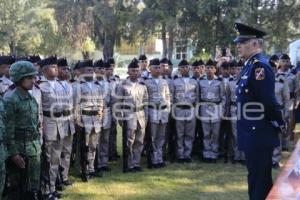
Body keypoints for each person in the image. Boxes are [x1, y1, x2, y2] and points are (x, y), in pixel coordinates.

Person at [234, 23, 285, 200]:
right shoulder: (249, 66)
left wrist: (279, 122)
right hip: (250, 132)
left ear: (255, 44)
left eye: (243, 42)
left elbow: (268, 101)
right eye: (237, 42)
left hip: (259, 132)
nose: (238, 46)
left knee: (260, 180)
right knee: (255, 177)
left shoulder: (259, 67)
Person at [4, 61, 42, 199]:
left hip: (33, 149)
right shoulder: (11, 99)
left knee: (32, 188)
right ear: (20, 79)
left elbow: (35, 124)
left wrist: (38, 143)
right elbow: (7, 130)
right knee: (18, 189)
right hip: (19, 152)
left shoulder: (30, 98)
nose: (34, 80)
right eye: (30, 78)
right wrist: (14, 153)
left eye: (34, 77)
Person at [38, 56, 65, 199]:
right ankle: (45, 190)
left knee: (56, 158)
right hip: (48, 123)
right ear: (44, 70)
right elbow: (38, 109)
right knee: (47, 159)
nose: (56, 69)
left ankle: (52, 188)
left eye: (56, 66)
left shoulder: (60, 84)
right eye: (53, 67)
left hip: (60, 123)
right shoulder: (39, 86)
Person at [73, 60, 104, 181]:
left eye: (92, 70)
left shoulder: (97, 85)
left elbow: (101, 101)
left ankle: (91, 168)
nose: (91, 72)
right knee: (83, 146)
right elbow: (76, 105)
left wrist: (100, 115)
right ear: (81, 72)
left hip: (95, 118)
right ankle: (82, 169)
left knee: (93, 145)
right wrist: (77, 121)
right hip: (84, 118)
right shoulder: (78, 86)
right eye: (88, 70)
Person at [116, 58, 148, 172]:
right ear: (128, 72)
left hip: (141, 115)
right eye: (133, 70)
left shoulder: (143, 85)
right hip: (128, 115)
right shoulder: (122, 85)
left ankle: (136, 163)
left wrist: (146, 118)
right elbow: (118, 103)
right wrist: (120, 118)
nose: (136, 72)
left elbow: (146, 103)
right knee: (129, 141)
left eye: (137, 70)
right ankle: (128, 164)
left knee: (139, 141)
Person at [143, 58, 171, 168]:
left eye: (159, 67)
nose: (158, 69)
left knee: (161, 136)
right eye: (155, 67)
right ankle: (153, 159)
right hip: (152, 110)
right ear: (150, 69)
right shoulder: (146, 82)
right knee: (152, 137)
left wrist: (167, 109)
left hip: (163, 111)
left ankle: (159, 158)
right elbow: (144, 99)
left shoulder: (164, 81)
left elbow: (168, 96)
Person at [199, 59, 226, 163]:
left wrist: (222, 111)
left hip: (216, 109)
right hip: (204, 109)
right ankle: (207, 153)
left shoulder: (219, 82)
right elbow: (198, 97)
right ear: (205, 69)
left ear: (215, 70)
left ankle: (214, 154)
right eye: (207, 68)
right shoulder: (201, 81)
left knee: (215, 133)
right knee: (206, 133)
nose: (209, 70)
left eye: (211, 68)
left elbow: (223, 98)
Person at [173, 59, 199, 163]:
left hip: (191, 109)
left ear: (189, 68)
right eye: (182, 67)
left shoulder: (194, 81)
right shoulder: (175, 81)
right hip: (179, 109)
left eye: (186, 67)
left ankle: (187, 154)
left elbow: (197, 97)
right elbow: (172, 98)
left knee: (189, 133)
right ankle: (180, 154)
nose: (185, 69)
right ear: (179, 69)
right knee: (179, 133)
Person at [57, 58, 75, 188]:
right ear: (57, 70)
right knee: (56, 152)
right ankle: (56, 179)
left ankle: (64, 177)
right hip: (58, 122)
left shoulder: (69, 85)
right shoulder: (52, 85)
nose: (67, 71)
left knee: (67, 151)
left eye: (68, 69)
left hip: (69, 122)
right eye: (64, 69)